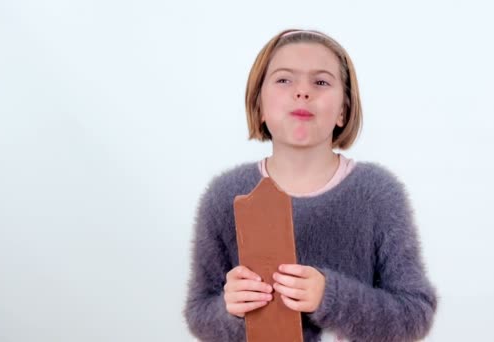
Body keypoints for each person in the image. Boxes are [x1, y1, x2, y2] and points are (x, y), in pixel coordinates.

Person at [183, 29, 438, 342]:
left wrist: (330, 297)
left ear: (343, 110)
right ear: (260, 104)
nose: (302, 92)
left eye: (321, 82)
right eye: (284, 80)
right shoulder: (226, 195)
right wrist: (232, 311)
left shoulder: (379, 194)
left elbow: (415, 315)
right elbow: (199, 313)